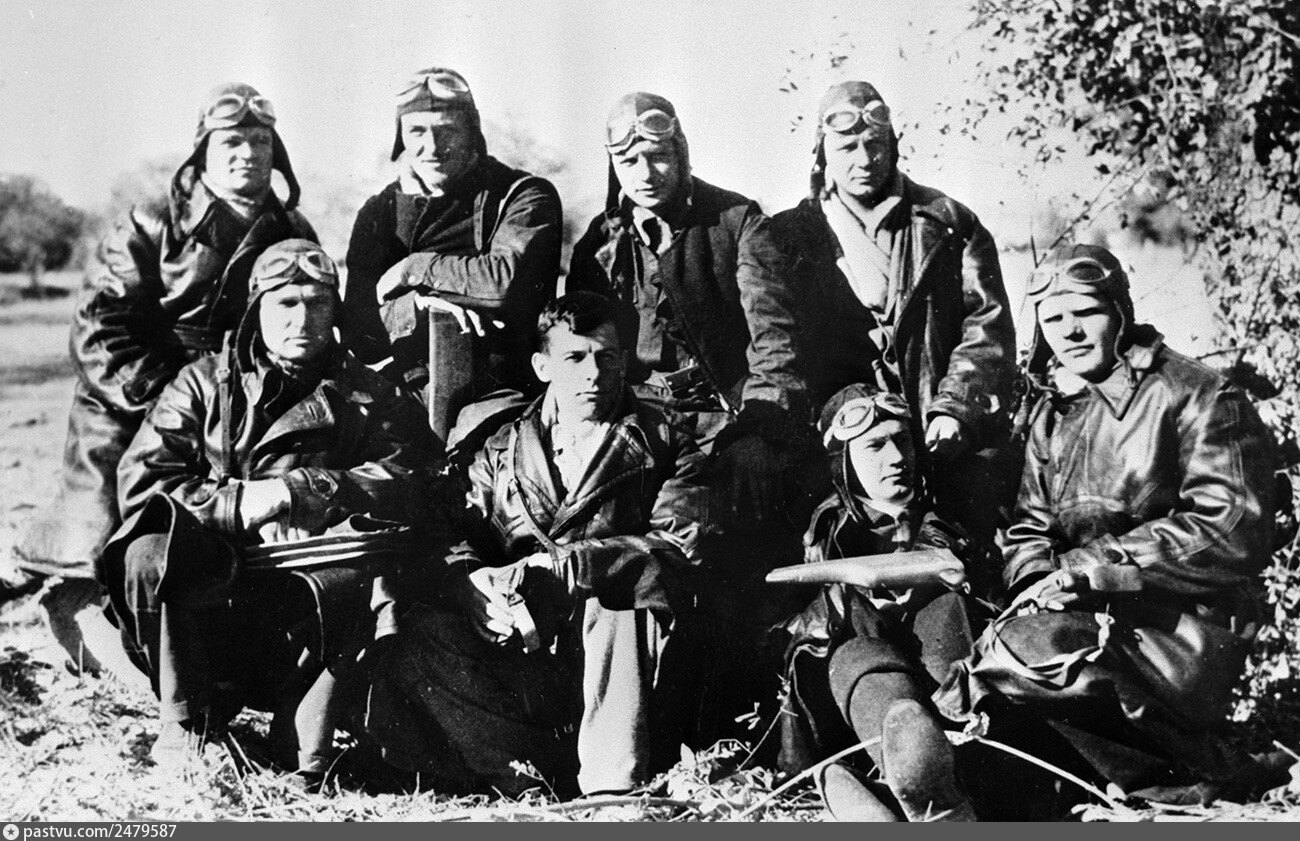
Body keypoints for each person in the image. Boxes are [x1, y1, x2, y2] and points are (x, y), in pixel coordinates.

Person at [935, 243, 1285, 812]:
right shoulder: (1054, 414)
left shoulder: (1197, 393)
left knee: (1025, 650)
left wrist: (1088, 571)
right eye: (1053, 319)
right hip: (1081, 620)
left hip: (1181, 630)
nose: (1069, 332)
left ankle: (1199, 769)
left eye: (1085, 312)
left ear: (1120, 310)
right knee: (968, 643)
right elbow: (1029, 529)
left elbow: (1231, 527)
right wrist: (1037, 584)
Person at [6, 83, 317, 677]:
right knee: (104, 540)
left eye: (259, 141)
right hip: (129, 400)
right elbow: (101, 327)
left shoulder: (289, 226)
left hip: (237, 401)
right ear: (202, 151)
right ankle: (71, 603)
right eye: (230, 142)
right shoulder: (150, 221)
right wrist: (163, 399)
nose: (247, 154)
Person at [99, 240, 433, 777]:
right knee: (147, 554)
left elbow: (410, 480)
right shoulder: (202, 385)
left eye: (317, 303)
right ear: (256, 309)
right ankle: (188, 721)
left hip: (308, 609)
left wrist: (303, 491)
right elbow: (144, 482)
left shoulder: (370, 394)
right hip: (214, 600)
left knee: (375, 580)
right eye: (286, 303)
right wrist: (240, 505)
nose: (303, 318)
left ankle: (302, 729)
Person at [366, 291, 713, 797]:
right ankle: (526, 776)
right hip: (527, 653)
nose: (593, 374)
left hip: (625, 669)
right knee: (420, 630)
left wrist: (572, 567)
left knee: (621, 602)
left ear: (624, 363)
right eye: (575, 358)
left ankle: (612, 791)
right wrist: (473, 583)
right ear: (542, 366)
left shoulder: (665, 441)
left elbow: (683, 545)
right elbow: (452, 532)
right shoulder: (501, 447)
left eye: (606, 357)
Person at [567, 92, 811, 742]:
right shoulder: (599, 243)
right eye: (629, 160)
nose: (646, 173)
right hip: (636, 427)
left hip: (721, 423)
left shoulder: (735, 223)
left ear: (681, 153)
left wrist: (759, 427)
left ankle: (706, 723)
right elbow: (579, 346)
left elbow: (775, 340)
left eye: (659, 156)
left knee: (700, 543)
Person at [769, 81, 1016, 553]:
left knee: (969, 541)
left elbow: (987, 323)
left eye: (875, 144)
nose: (864, 159)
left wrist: (956, 405)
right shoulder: (787, 237)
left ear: (893, 145)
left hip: (937, 423)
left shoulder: (947, 222)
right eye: (847, 148)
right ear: (821, 152)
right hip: (842, 440)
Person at [772, 384, 983, 821]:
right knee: (857, 650)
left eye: (902, 440)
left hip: (956, 696)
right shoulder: (818, 534)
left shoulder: (954, 509)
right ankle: (911, 772)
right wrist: (843, 604)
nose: (897, 458)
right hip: (858, 701)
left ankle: (932, 783)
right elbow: (782, 634)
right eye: (875, 446)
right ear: (844, 461)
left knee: (946, 608)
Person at [342, 66, 562, 459]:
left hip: (504, 394)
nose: (432, 146)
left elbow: (502, 282)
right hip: (405, 398)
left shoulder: (522, 196)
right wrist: (417, 307)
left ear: (472, 131)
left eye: (447, 130)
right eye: (417, 131)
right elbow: (361, 334)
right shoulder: (379, 213)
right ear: (401, 137)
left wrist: (414, 269)